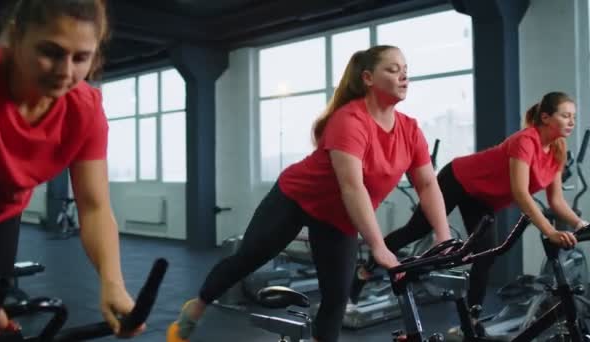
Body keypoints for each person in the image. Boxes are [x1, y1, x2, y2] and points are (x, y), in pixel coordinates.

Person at [166, 45, 451, 342]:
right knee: (248, 259)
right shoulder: (350, 120)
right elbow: (352, 187)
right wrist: (378, 246)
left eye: (406, 71)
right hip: (296, 198)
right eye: (393, 70)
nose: (404, 76)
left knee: (337, 296)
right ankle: (195, 309)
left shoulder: (410, 130)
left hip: (339, 218)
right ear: (368, 77)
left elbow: (428, 185)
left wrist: (443, 238)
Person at [350, 91, 587, 334]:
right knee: (417, 229)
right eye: (565, 116)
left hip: (481, 197)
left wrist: (579, 223)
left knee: (486, 255)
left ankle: (471, 319)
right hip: (458, 178)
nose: (572, 121)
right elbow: (520, 193)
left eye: (573, 117)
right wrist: (550, 231)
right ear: (546, 118)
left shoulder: (557, 149)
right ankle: (364, 271)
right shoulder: (526, 141)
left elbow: (556, 201)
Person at [0, 0, 144, 338]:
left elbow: (95, 207)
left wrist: (112, 284)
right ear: (16, 36)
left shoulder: (83, 110)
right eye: (51, 52)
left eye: (80, 58)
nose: (65, 71)